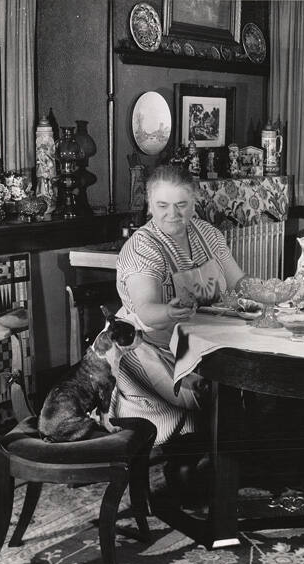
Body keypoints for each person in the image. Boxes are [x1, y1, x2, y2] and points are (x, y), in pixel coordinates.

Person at [111, 164, 248, 446]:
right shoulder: (143, 247)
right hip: (154, 351)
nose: (172, 214)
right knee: (199, 428)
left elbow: (239, 283)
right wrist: (170, 312)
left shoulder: (207, 234)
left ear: (194, 202)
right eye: (162, 205)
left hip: (204, 346)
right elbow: (147, 309)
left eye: (181, 205)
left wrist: (280, 290)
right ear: (149, 204)